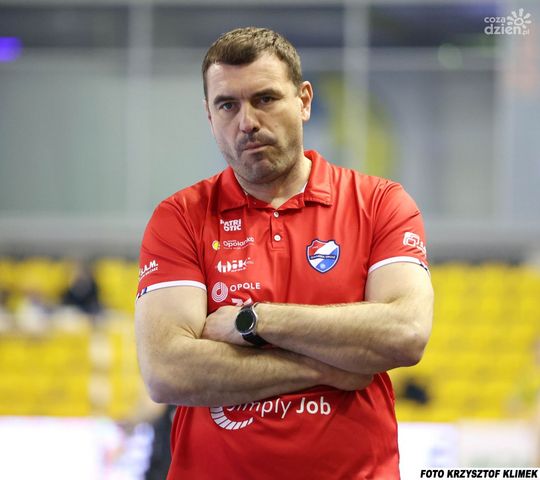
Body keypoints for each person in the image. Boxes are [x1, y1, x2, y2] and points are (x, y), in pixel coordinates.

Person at [135, 26, 433, 479]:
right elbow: (167, 371)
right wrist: (327, 364)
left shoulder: (379, 203)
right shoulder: (179, 217)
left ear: (304, 100)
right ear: (209, 116)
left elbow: (405, 332)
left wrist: (253, 321)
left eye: (265, 99)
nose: (247, 122)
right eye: (227, 105)